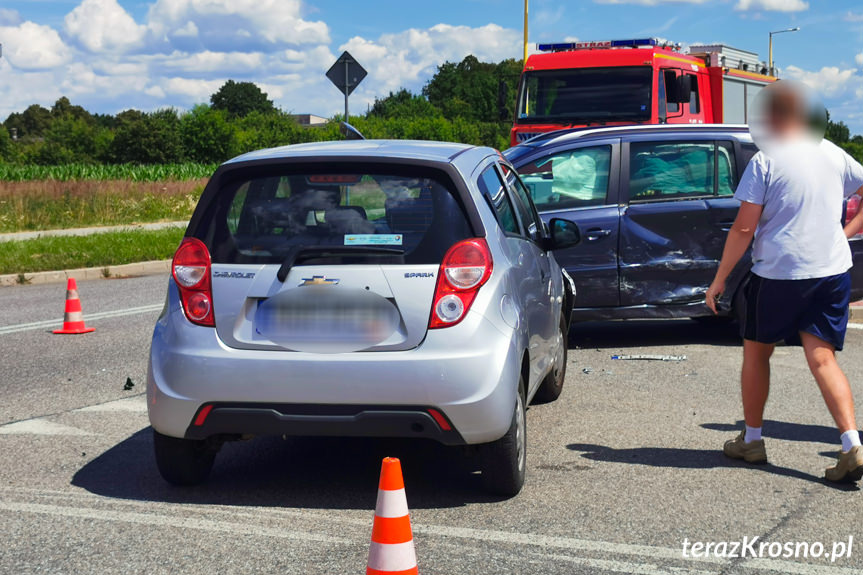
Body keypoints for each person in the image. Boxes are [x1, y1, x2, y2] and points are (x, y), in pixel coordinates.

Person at [705, 81, 863, 482]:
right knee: (822, 357)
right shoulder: (833, 154)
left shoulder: (766, 160)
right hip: (831, 271)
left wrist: (720, 280)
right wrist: (845, 232)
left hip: (778, 274)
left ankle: (752, 440)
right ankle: (851, 444)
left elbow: (743, 229)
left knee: (757, 353)